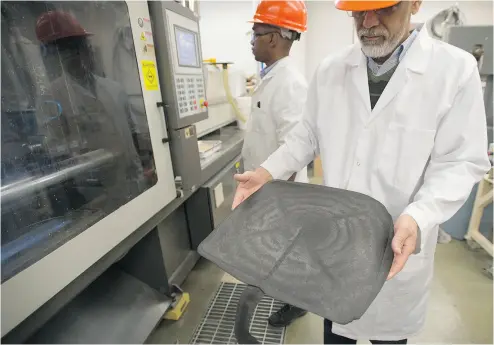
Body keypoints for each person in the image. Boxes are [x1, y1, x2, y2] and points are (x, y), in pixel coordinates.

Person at [232, 0, 490, 343]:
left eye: (383, 8)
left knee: (388, 335)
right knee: (336, 331)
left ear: (414, 4)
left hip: (398, 246)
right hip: (337, 245)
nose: (368, 22)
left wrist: (419, 215)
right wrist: (267, 170)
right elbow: (307, 135)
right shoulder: (331, 69)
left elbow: (460, 161)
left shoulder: (453, 70)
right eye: (359, 11)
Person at [242, 0, 309, 328]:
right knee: (278, 249)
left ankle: (296, 303)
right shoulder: (272, 77)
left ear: (272, 38)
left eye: (255, 34)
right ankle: (285, 290)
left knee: (289, 250)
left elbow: (295, 148)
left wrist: (279, 199)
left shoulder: (290, 84)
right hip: (267, 188)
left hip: (280, 193)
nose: (252, 41)